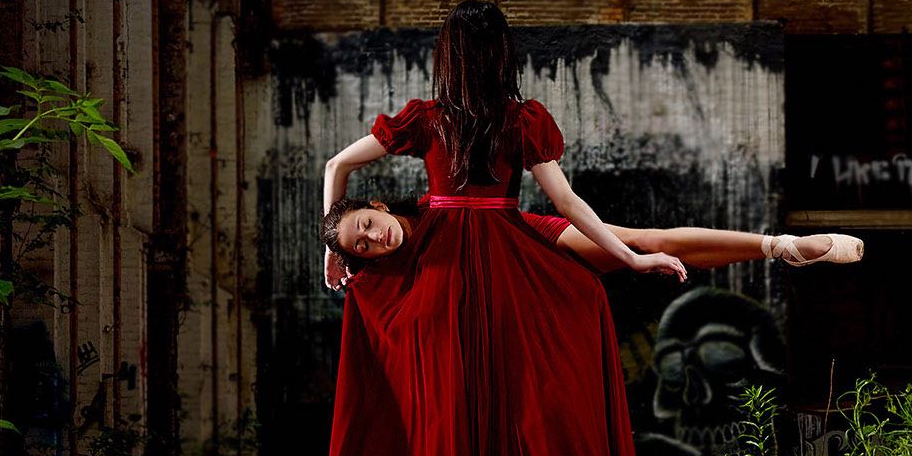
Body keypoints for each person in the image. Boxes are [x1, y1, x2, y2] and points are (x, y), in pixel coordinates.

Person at [320, 0, 688, 456]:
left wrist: (334, 249)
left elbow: (337, 164)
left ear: (449, 55)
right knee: (496, 407)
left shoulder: (429, 118)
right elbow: (569, 205)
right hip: (507, 265)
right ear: (503, 56)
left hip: (439, 268)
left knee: (442, 408)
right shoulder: (521, 120)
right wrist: (630, 258)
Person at [320, 194, 864, 287]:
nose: (373, 239)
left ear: (379, 206)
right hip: (511, 296)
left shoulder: (430, 203)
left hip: (527, 239)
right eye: (360, 246)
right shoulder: (387, 272)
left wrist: (330, 246)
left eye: (366, 225)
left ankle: (781, 247)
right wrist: (340, 255)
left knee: (641, 242)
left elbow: (336, 162)